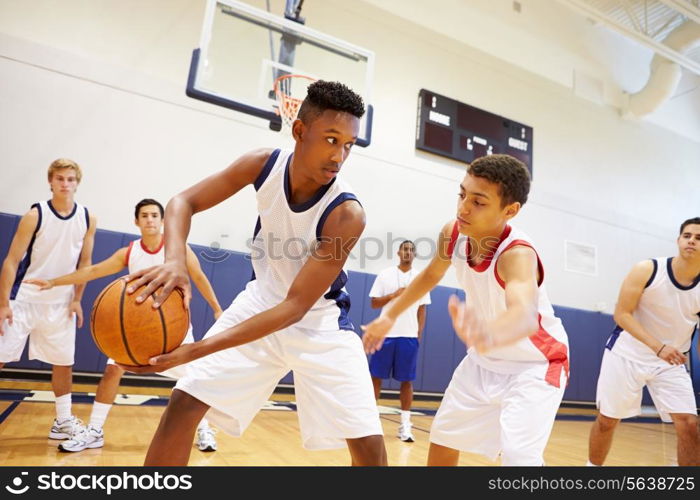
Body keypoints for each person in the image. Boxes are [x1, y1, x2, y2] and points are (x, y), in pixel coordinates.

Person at [120, 81, 387, 466]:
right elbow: (183, 202)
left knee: (369, 450)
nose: (340, 155)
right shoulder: (263, 164)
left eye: (348, 145)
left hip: (319, 324)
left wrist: (196, 350)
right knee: (181, 407)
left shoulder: (347, 214)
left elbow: (295, 307)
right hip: (260, 300)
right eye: (331, 139)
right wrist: (175, 259)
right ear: (299, 131)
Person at [363, 154, 569, 466]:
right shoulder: (454, 232)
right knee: (445, 437)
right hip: (483, 361)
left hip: (536, 365)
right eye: (462, 195)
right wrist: (389, 315)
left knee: (519, 458)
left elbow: (524, 314)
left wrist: (490, 332)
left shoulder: (516, 255)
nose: (463, 208)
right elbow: (431, 275)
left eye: (478, 201)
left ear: (510, 211)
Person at [24, 198, 224, 453]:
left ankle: (204, 427)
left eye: (154, 215)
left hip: (172, 326)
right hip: (135, 327)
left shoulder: (178, 249)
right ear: (136, 221)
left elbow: (199, 277)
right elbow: (93, 271)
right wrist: (54, 282)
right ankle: (95, 430)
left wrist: (217, 308)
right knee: (112, 371)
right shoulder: (129, 251)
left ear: (162, 221)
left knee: (191, 379)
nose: (150, 219)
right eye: (145, 215)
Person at [587, 217, 700, 466]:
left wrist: (666, 352)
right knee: (607, 420)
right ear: (679, 240)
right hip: (627, 354)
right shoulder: (648, 269)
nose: (691, 241)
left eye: (698, 238)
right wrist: (658, 347)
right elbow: (622, 315)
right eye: (687, 235)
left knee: (689, 424)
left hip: (671, 362)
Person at [0, 158, 97, 441]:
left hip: (61, 302)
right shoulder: (35, 214)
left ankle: (63, 421)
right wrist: (4, 303)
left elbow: (86, 262)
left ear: (77, 183)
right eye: (60, 179)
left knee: (64, 363)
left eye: (70, 179)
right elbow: (11, 260)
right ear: (50, 182)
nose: (65, 184)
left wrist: (77, 298)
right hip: (25, 298)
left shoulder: (88, 217)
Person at [368, 240, 430, 442]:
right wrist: (393, 296)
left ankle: (405, 426)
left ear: (414, 255)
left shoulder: (421, 279)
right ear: (398, 252)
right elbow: (374, 303)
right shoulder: (385, 275)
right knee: (375, 378)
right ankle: (370, 423)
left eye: (412, 250)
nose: (408, 252)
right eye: (405, 249)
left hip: (408, 337)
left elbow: (423, 308)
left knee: (407, 381)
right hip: (385, 335)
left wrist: (419, 331)